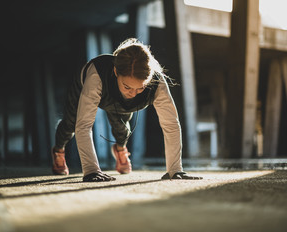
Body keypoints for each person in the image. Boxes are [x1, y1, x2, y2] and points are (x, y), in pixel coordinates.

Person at [51, 38, 202, 182]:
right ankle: (58, 150)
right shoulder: (96, 75)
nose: (133, 94)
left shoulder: (157, 82)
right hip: (91, 89)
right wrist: (92, 170)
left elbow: (171, 125)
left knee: (122, 129)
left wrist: (175, 170)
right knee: (70, 124)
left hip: (117, 99)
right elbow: (84, 125)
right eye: (127, 87)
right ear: (116, 72)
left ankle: (120, 148)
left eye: (141, 88)